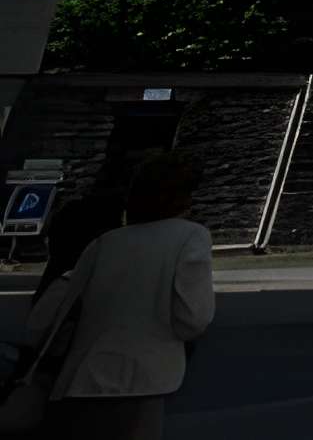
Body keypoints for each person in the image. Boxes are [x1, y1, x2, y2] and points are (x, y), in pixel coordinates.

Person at [17, 152, 212, 437]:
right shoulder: (189, 236)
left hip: (79, 378)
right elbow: (193, 318)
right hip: (141, 379)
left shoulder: (105, 242)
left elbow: (44, 318)